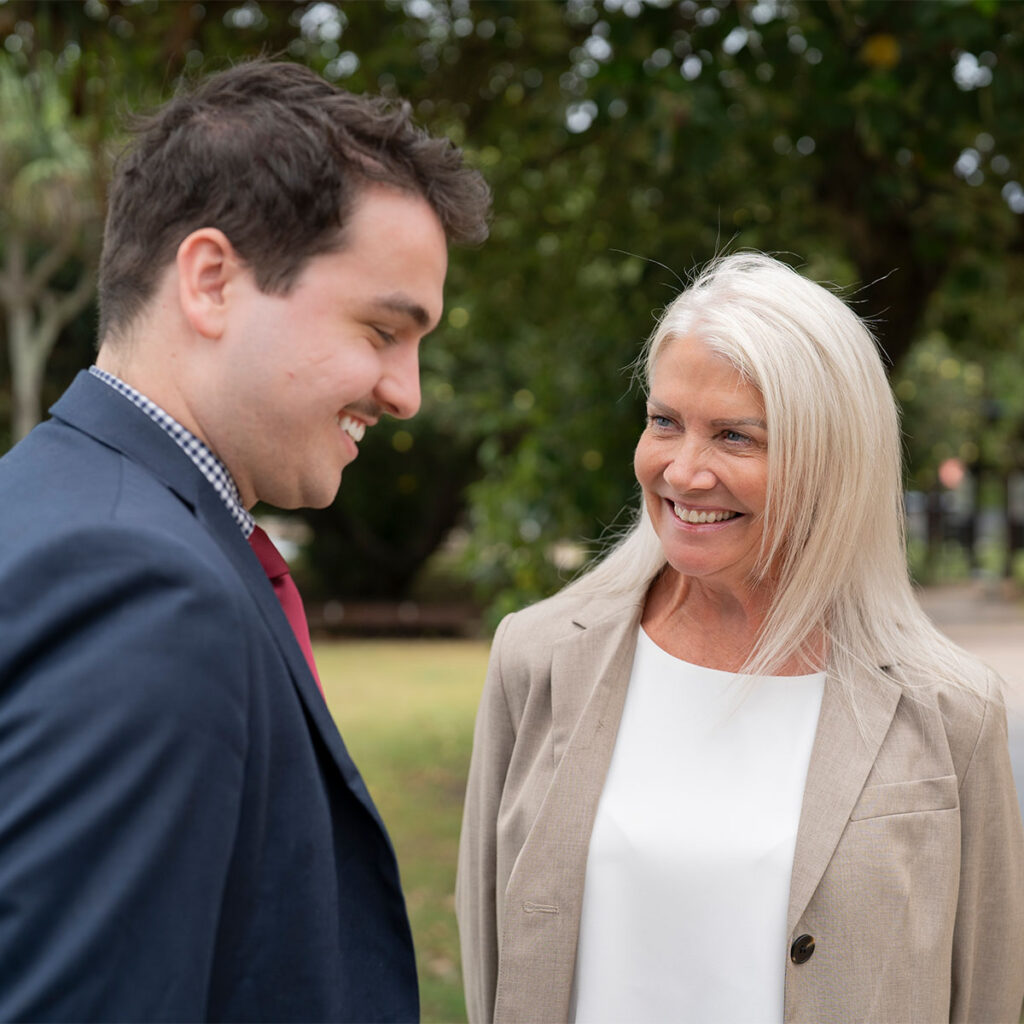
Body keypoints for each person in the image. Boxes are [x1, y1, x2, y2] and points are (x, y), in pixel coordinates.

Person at [0, 59, 489, 1021]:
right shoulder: (146, 589)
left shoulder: (49, 503)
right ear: (212, 282)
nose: (407, 393)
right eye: (382, 331)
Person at [456, 253, 1024, 1023]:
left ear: (832, 462)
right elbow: (492, 964)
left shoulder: (952, 711)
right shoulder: (537, 659)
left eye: (735, 436)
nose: (684, 472)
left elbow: (989, 993)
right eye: (665, 422)